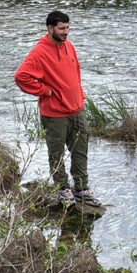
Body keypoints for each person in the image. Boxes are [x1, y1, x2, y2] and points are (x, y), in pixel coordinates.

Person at [15, 11, 100, 207]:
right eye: (62, 28)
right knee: (57, 152)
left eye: (68, 28)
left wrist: (79, 95)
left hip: (77, 109)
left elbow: (75, 73)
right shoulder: (39, 52)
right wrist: (44, 91)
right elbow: (21, 76)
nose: (66, 32)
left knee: (80, 149)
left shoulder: (69, 46)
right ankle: (63, 188)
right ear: (50, 28)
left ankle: (81, 188)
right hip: (54, 114)